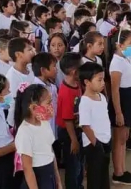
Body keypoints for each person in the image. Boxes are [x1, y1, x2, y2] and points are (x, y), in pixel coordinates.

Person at [108, 28, 131, 185]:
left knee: (124, 138)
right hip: (122, 103)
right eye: (130, 43)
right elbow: (114, 91)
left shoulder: (125, 59)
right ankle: (118, 172)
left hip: (129, 101)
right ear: (119, 45)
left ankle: (123, 169)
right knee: (119, 139)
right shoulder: (116, 64)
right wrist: (118, 112)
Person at [14, 84, 62, 189]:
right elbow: (28, 169)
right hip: (37, 179)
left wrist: (58, 180)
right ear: (34, 107)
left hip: (49, 175)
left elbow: (50, 153)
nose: (52, 106)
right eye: (48, 103)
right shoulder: (25, 132)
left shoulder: (45, 123)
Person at [79, 62, 111, 189]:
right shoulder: (85, 102)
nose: (103, 82)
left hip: (105, 141)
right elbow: (85, 126)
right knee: (95, 178)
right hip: (94, 145)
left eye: (103, 79)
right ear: (87, 82)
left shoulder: (101, 97)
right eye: (99, 80)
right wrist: (96, 144)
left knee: (104, 175)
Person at [57, 53, 84, 189]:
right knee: (73, 165)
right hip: (69, 133)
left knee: (79, 163)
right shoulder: (67, 92)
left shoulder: (76, 84)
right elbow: (67, 120)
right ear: (74, 72)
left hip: (76, 129)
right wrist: (74, 140)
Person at [6, 37, 36, 127]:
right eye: (29, 49)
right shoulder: (12, 76)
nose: (33, 51)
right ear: (18, 54)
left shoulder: (31, 69)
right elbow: (14, 103)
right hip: (19, 121)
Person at [31, 53, 58, 138]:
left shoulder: (52, 86)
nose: (56, 69)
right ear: (43, 70)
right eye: (54, 66)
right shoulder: (35, 90)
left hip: (53, 130)